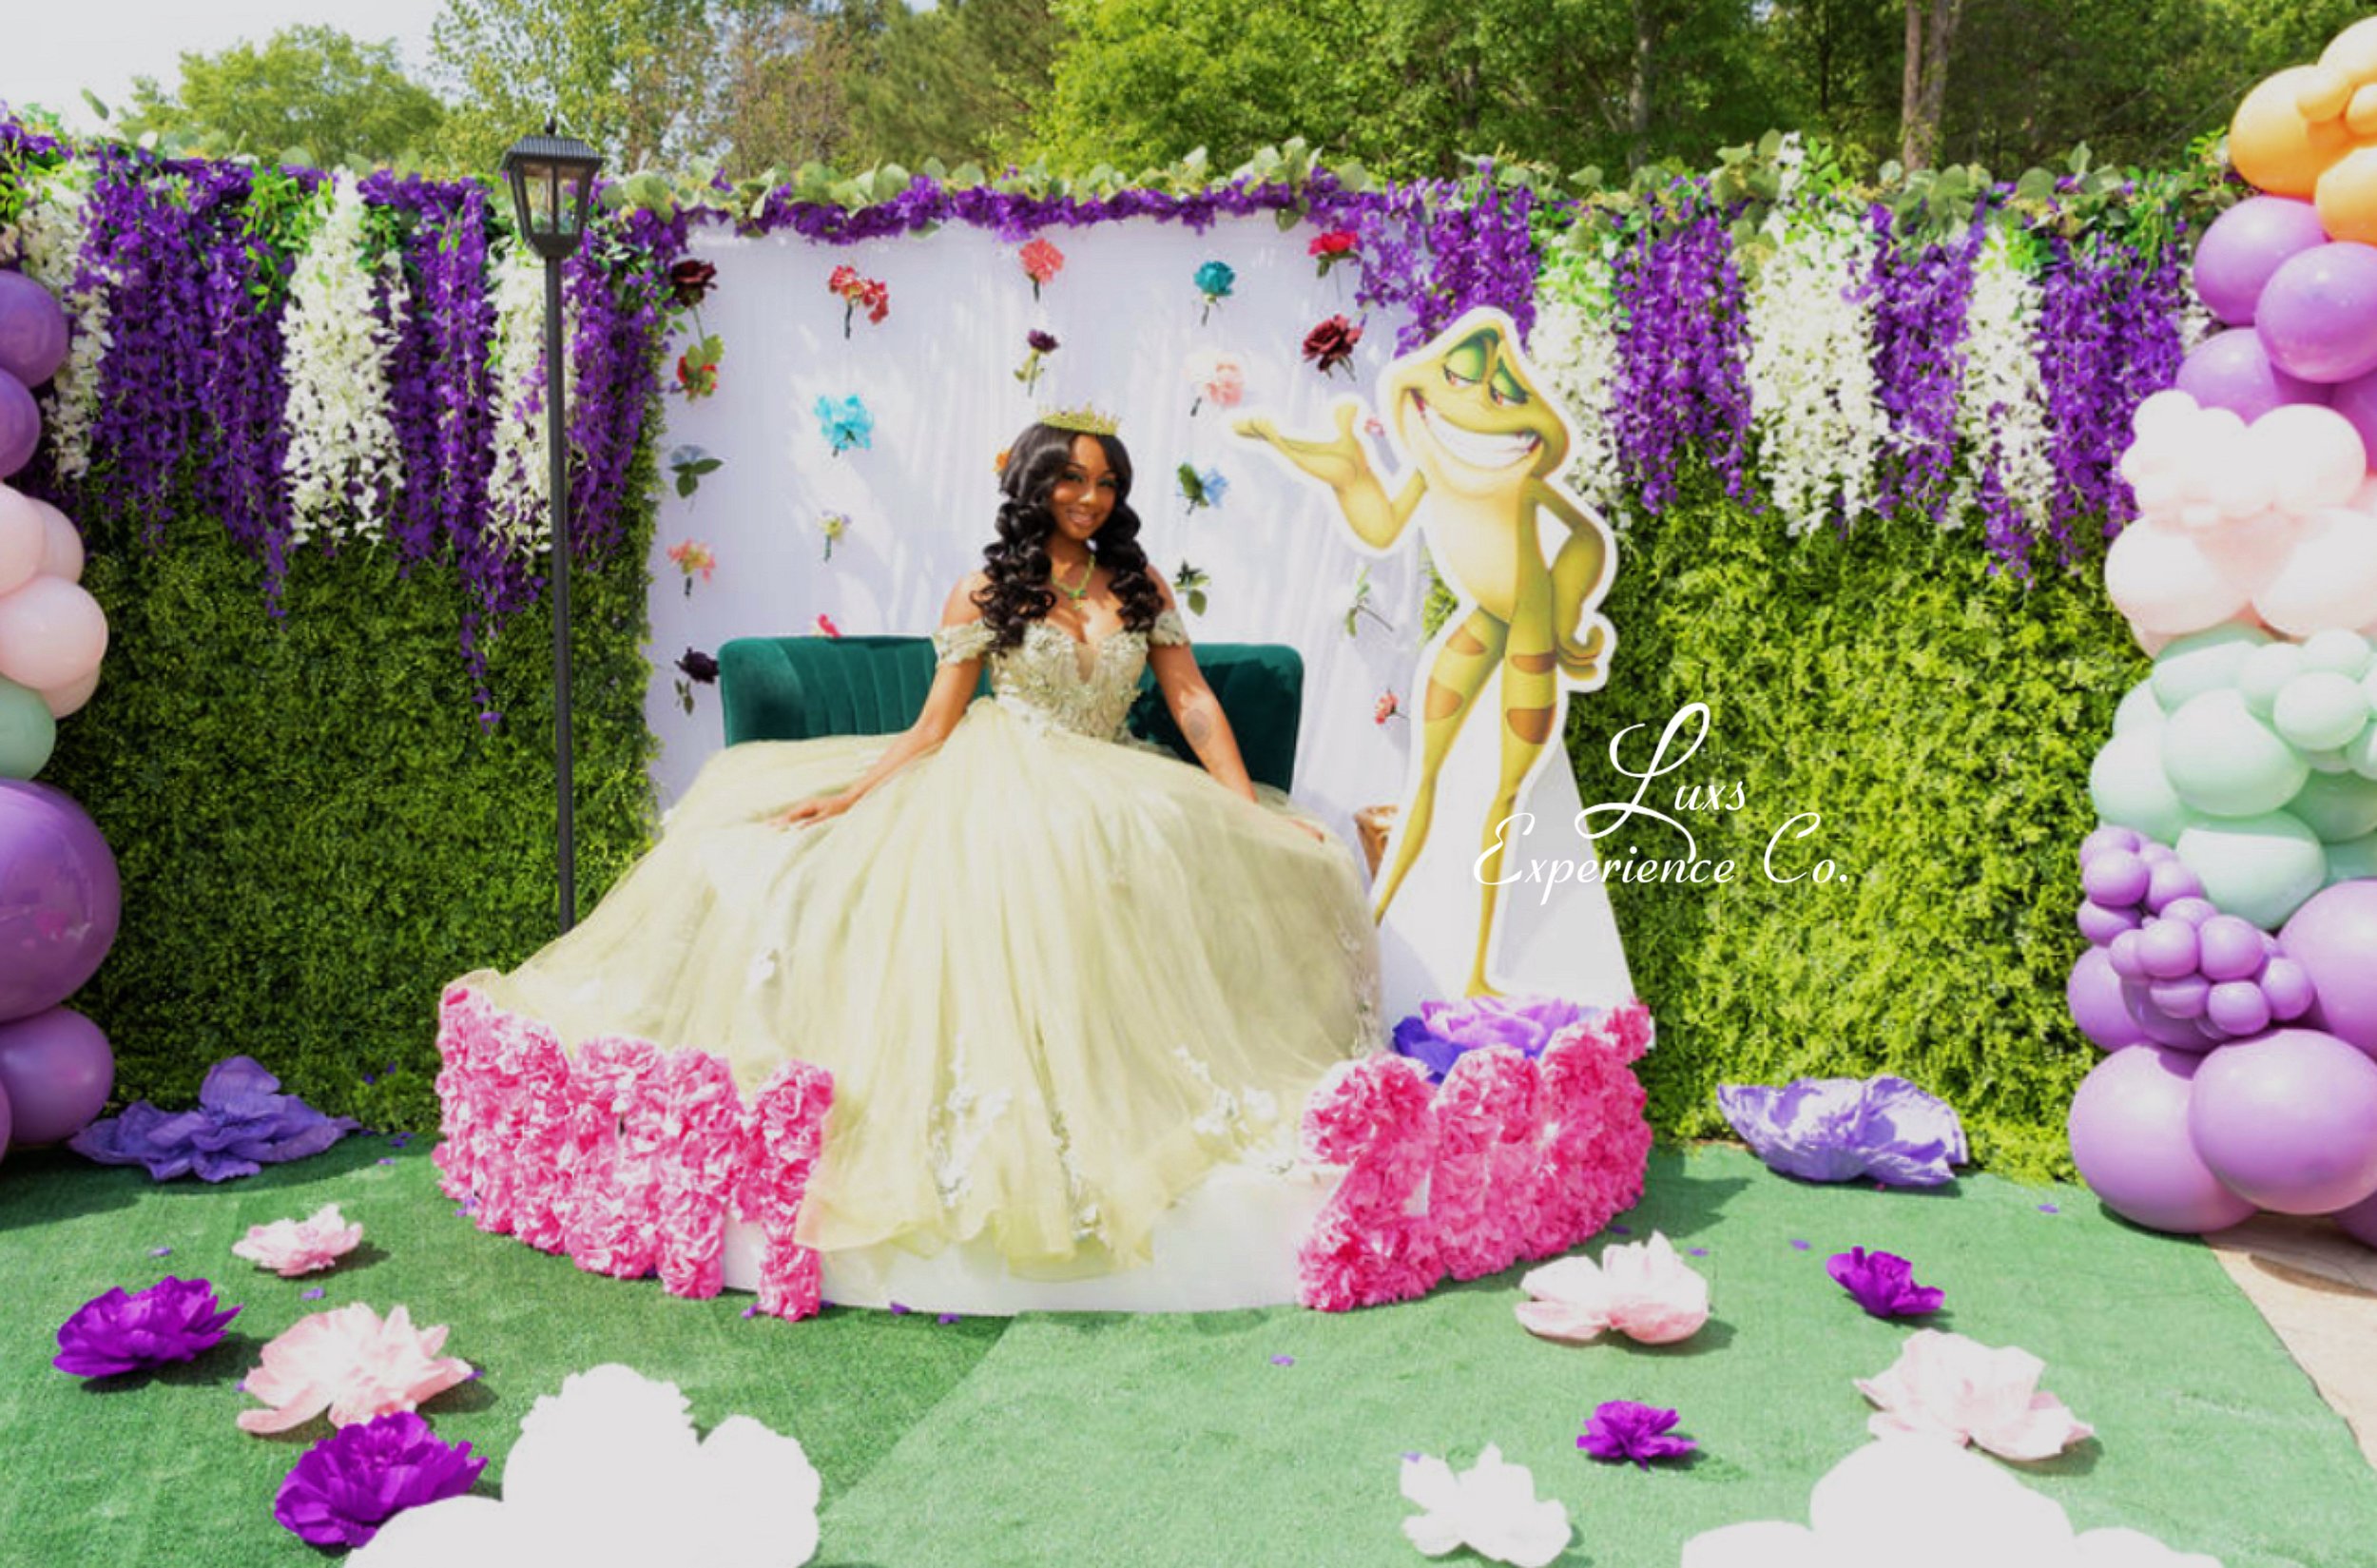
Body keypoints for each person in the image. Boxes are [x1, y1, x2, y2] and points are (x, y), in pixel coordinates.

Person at [453, 414, 1383, 1279]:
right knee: (1037, 851)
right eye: (1069, 479)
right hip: (1003, 768)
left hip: (1119, 773)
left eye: (1104, 482)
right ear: (1034, 485)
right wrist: (850, 793)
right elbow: (935, 723)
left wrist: (1245, 809)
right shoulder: (987, 588)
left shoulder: (1139, 584)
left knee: (1238, 849)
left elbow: (1189, 700)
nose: (1088, 498)